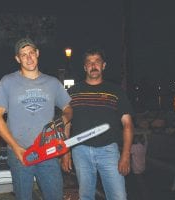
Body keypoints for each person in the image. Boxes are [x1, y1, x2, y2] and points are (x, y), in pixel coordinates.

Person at [0, 38, 72, 200]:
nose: (28, 58)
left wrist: (65, 118)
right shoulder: (8, 82)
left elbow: (68, 108)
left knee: (55, 196)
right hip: (20, 153)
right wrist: (15, 146)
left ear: (38, 53)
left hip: (48, 152)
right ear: (17, 59)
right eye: (23, 54)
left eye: (31, 53)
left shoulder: (52, 82)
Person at [66, 47, 134, 200]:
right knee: (85, 196)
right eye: (89, 62)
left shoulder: (116, 91)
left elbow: (128, 125)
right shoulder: (72, 92)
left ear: (104, 65)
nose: (93, 65)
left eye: (97, 61)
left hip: (109, 150)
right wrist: (65, 153)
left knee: (119, 196)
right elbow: (67, 124)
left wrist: (125, 155)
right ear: (85, 67)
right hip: (80, 151)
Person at [130, 133, 149, 200]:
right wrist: (145, 137)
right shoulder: (144, 146)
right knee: (140, 181)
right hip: (142, 167)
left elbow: (127, 151)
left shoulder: (134, 147)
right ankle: (143, 194)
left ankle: (144, 196)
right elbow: (146, 142)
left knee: (139, 183)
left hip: (136, 168)